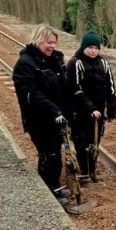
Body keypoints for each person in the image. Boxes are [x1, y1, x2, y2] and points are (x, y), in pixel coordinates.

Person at [12, 24, 72, 207]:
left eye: (54, 42)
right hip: (40, 120)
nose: (52, 46)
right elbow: (33, 94)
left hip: (57, 118)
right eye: (48, 42)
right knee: (49, 154)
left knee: (56, 153)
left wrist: (68, 112)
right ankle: (48, 193)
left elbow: (63, 88)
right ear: (38, 40)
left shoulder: (55, 60)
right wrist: (54, 112)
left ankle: (54, 185)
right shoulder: (25, 64)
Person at [66, 30, 116, 182]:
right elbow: (74, 88)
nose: (94, 51)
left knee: (94, 141)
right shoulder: (75, 63)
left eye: (96, 48)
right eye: (90, 47)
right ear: (83, 47)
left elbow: (111, 87)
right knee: (81, 141)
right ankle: (85, 170)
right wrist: (90, 108)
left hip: (99, 111)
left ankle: (91, 168)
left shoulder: (104, 64)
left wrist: (112, 109)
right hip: (80, 111)